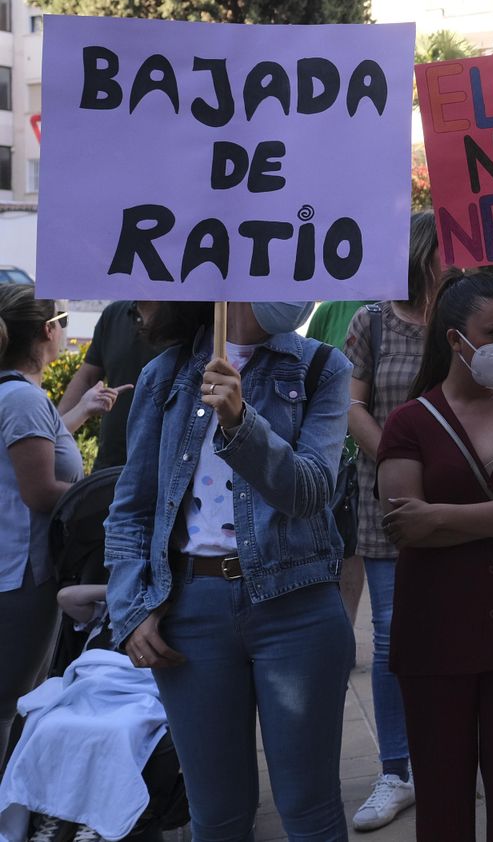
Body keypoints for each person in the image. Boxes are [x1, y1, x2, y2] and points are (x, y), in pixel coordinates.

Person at [105, 300, 355, 841]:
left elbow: (311, 492)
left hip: (299, 607)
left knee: (310, 809)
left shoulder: (322, 367)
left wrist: (241, 422)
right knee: (216, 815)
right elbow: (132, 508)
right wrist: (132, 608)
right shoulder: (165, 374)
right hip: (192, 613)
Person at [377, 271, 493, 842]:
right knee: (441, 805)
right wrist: (487, 521)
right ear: (455, 341)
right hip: (435, 636)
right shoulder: (409, 423)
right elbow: (405, 528)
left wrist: (439, 516)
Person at [342, 211, 439, 831]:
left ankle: (449, 757)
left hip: (457, 502)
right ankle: (397, 769)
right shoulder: (371, 322)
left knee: (452, 627)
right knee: (392, 638)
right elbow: (351, 407)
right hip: (389, 503)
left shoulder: (463, 320)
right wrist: (398, 463)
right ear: (424, 255)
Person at [0, 290, 98, 767]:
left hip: (13, 570)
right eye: (63, 319)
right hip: (20, 575)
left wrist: (80, 412)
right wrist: (115, 496)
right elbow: (40, 491)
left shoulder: (13, 394)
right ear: (47, 330)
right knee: (12, 704)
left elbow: (38, 448)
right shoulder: (22, 398)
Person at [306, 298, 371, 621]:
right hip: (331, 452)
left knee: (353, 547)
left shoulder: (398, 305)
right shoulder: (330, 310)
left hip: (374, 456)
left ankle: (345, 623)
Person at [57, 300, 160, 469]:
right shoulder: (113, 314)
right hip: (113, 459)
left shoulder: (185, 319)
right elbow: (88, 378)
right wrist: (55, 430)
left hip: (165, 463)